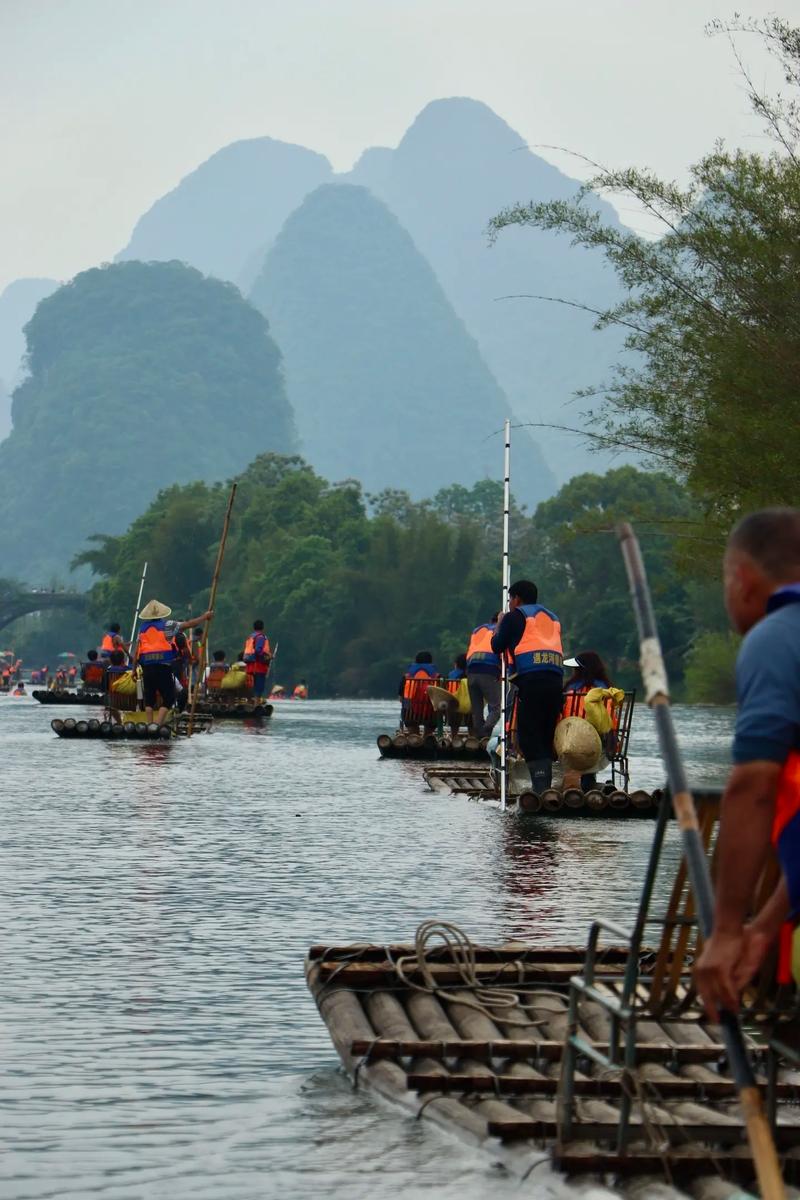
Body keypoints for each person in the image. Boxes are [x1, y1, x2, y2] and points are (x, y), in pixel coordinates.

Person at [694, 509, 800, 1020]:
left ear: (741, 579)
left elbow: (754, 785)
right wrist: (765, 926)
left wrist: (728, 929)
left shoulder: (778, 637)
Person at [492, 580, 563, 794]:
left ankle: (541, 789)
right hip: (555, 681)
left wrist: (500, 622)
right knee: (545, 732)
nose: (510, 604)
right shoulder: (552, 618)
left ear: (517, 599)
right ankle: (545, 787)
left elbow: (496, 645)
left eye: (510, 599)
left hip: (531, 681)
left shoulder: (515, 616)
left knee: (528, 733)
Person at [134, 599, 213, 726]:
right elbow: (189, 624)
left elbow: (137, 651)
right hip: (163, 666)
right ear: (161, 614)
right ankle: (158, 725)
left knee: (149, 698)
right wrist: (205, 617)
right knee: (169, 697)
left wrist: (133, 670)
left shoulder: (142, 629)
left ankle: (149, 724)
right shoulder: (168, 625)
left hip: (146, 667)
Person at [562, 650, 616, 791]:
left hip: (571, 740)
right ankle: (591, 783)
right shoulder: (606, 689)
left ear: (579, 670)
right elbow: (611, 720)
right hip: (601, 742)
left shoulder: (569, 689)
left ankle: (583, 785)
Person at [466, 614, 502, 741]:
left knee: (477, 709)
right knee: (496, 707)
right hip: (489, 670)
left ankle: (479, 735)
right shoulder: (500, 629)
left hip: (471, 670)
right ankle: (486, 731)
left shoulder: (478, 630)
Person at [399, 651, 441, 734]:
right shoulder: (438, 677)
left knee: (407, 708)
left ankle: (414, 736)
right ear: (431, 662)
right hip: (430, 714)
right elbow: (441, 697)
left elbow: (401, 699)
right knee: (435, 712)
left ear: (416, 662)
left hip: (410, 714)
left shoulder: (406, 677)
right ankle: (427, 736)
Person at [243, 620, 272, 698]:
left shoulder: (250, 637)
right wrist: (267, 656)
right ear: (262, 627)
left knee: (251, 686)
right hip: (258, 666)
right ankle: (256, 703)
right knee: (258, 688)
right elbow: (258, 650)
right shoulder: (260, 637)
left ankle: (251, 702)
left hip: (249, 666)